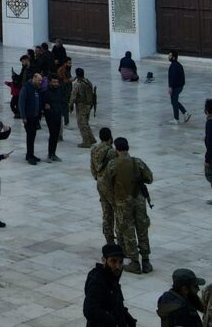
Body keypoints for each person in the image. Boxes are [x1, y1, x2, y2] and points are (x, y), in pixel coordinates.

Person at [99, 136, 153, 274]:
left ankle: (135, 263)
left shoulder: (112, 164)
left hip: (122, 203)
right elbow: (149, 178)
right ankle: (146, 262)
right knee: (142, 230)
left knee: (128, 231)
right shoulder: (137, 162)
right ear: (128, 148)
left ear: (116, 149)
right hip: (139, 202)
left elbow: (104, 184)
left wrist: (113, 200)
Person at [82, 243, 135, 327]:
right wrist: (111, 320)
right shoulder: (97, 282)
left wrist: (129, 319)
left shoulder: (112, 276)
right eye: (113, 261)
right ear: (104, 260)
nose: (117, 266)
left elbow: (116, 304)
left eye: (120, 262)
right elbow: (90, 310)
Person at [90, 126, 116, 246]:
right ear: (110, 137)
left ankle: (108, 241)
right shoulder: (110, 151)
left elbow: (93, 168)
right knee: (117, 212)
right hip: (109, 185)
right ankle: (120, 242)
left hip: (100, 183)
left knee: (106, 214)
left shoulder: (94, 149)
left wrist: (97, 177)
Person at [19, 70, 42, 163]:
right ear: (34, 78)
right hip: (28, 117)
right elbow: (21, 103)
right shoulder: (26, 88)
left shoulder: (36, 88)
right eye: (39, 80)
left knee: (33, 135)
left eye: (41, 81)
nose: (40, 82)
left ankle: (31, 154)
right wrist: (23, 116)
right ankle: (29, 156)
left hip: (35, 116)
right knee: (30, 136)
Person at [44, 74, 67, 161]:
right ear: (50, 82)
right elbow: (43, 104)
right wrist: (46, 106)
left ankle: (53, 153)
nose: (56, 83)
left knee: (56, 135)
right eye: (54, 82)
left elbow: (63, 101)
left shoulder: (59, 91)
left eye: (57, 82)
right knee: (52, 134)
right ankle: (50, 154)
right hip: (50, 117)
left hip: (58, 115)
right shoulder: (46, 92)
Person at [73, 67, 97, 148]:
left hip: (81, 105)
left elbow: (73, 95)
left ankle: (86, 141)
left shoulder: (78, 84)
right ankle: (91, 138)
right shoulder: (88, 82)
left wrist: (69, 104)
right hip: (89, 105)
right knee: (86, 122)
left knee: (81, 123)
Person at [167, 51, 188, 124]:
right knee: (174, 101)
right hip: (180, 86)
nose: (168, 57)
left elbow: (173, 77)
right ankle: (185, 113)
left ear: (173, 57)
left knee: (174, 102)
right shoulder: (178, 65)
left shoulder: (173, 66)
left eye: (170, 55)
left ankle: (176, 119)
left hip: (175, 87)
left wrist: (170, 87)